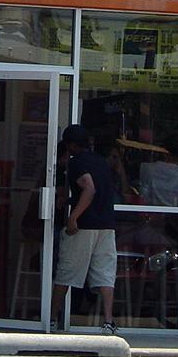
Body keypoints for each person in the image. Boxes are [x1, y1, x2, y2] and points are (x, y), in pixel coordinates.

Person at [50, 123, 120, 335]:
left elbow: (89, 188)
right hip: (107, 225)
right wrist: (70, 199)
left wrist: (73, 217)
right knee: (105, 274)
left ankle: (51, 319)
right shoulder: (101, 162)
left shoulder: (77, 162)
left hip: (85, 225)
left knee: (67, 271)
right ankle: (108, 322)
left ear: (71, 145)